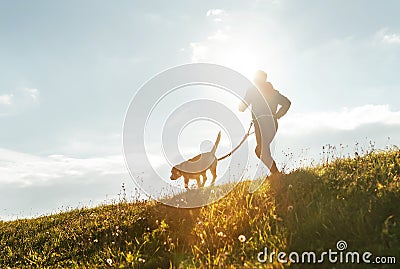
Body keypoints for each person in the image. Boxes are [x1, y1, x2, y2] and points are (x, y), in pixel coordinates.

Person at [239, 70, 291, 176]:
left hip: (262, 124)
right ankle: (276, 174)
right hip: (271, 123)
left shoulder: (253, 90)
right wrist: (277, 115)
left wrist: (244, 102)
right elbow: (287, 103)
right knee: (262, 150)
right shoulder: (273, 92)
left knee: (261, 150)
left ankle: (276, 174)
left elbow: (241, 108)